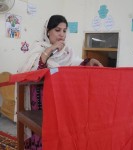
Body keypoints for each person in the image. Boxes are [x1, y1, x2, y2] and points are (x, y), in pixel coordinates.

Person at [19, 14, 103, 150]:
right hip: (40, 98)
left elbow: (76, 66)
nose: (62, 34)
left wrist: (89, 61)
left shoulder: (67, 52)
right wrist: (50, 49)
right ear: (48, 31)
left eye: (64, 31)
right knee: (41, 132)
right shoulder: (39, 48)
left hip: (61, 98)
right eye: (57, 30)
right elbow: (33, 71)